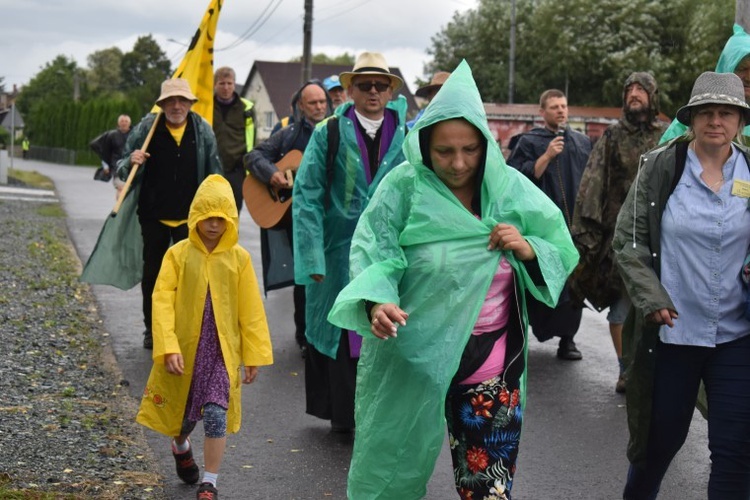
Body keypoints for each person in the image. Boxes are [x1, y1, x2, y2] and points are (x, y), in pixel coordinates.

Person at [327, 60, 578, 499]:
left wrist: (526, 247)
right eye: (444, 151)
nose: (458, 163)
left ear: (484, 144)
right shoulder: (403, 189)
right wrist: (376, 302)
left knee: (488, 490)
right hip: (413, 357)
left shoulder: (508, 190)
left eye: (469, 149)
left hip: (491, 366)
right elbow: (375, 251)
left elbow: (559, 244)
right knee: (389, 475)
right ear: (424, 144)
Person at [614, 71, 750, 499]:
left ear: (740, 122)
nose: (716, 121)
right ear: (691, 119)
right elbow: (628, 242)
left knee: (736, 451)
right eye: (706, 112)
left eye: (726, 113)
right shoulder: (660, 167)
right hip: (673, 335)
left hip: (736, 335)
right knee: (658, 445)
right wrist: (651, 297)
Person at [136, 174, 273, 500]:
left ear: (230, 220)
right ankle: (181, 445)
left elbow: (250, 309)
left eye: (221, 219)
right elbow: (163, 301)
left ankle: (209, 481)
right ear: (196, 216)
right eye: (207, 218)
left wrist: (252, 353)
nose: (213, 225)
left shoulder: (239, 259)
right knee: (183, 419)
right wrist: (168, 346)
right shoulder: (179, 255)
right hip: (186, 352)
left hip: (221, 355)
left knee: (214, 414)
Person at [292, 52, 408, 433]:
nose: (373, 91)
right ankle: (344, 419)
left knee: (389, 329)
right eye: (364, 85)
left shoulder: (408, 135)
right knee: (343, 331)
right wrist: (312, 258)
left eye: (380, 85)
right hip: (338, 252)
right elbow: (307, 195)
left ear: (391, 91)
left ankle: (382, 418)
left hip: (391, 252)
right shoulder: (329, 132)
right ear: (350, 90)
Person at [570, 72, 667, 393]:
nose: (635, 94)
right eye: (630, 89)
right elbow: (592, 185)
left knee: (660, 306)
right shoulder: (612, 137)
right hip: (621, 238)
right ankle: (626, 369)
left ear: (653, 96)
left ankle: (653, 370)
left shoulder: (668, 135)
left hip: (663, 236)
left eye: (641, 89)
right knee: (622, 310)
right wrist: (587, 233)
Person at [117, 78, 222, 349]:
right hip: (154, 216)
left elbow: (215, 173)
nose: (177, 106)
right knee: (154, 276)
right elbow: (121, 166)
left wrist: (217, 209)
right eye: (171, 101)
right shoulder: (146, 129)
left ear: (189, 104)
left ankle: (187, 331)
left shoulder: (202, 131)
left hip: (191, 219)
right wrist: (131, 160)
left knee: (191, 278)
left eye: (182, 100)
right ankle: (153, 330)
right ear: (162, 105)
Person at [244, 80, 332, 357]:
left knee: (332, 275)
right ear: (301, 107)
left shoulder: (337, 131)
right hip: (299, 219)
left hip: (330, 217)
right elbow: (254, 156)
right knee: (306, 276)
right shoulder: (289, 135)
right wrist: (271, 173)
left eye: (322, 102)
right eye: (313, 103)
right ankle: (305, 336)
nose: (319, 107)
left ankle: (331, 332)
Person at [507, 89, 591, 359]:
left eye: (564, 106)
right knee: (535, 279)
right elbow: (514, 181)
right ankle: (521, 337)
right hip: (539, 228)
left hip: (573, 227)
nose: (561, 111)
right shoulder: (529, 142)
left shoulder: (580, 142)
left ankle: (568, 340)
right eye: (554, 107)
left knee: (572, 285)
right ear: (542, 112)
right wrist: (546, 156)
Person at [661, 24, 750, 143]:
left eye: (726, 114)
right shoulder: (686, 123)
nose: (748, 77)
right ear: (726, 68)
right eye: (741, 69)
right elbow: (663, 158)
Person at [213, 66, 256, 213]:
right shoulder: (207, 106)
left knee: (232, 212)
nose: (226, 88)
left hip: (237, 169)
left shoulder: (246, 108)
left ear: (234, 84)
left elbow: (253, 139)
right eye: (222, 83)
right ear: (215, 85)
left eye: (229, 83)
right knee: (211, 211)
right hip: (212, 167)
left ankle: (231, 237)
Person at [90, 114, 132, 195]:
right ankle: (119, 207)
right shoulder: (111, 135)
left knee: (129, 191)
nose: (124, 123)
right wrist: (106, 165)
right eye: (122, 121)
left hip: (132, 167)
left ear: (129, 123)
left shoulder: (135, 135)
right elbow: (104, 150)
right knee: (121, 188)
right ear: (118, 123)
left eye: (126, 121)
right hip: (117, 168)